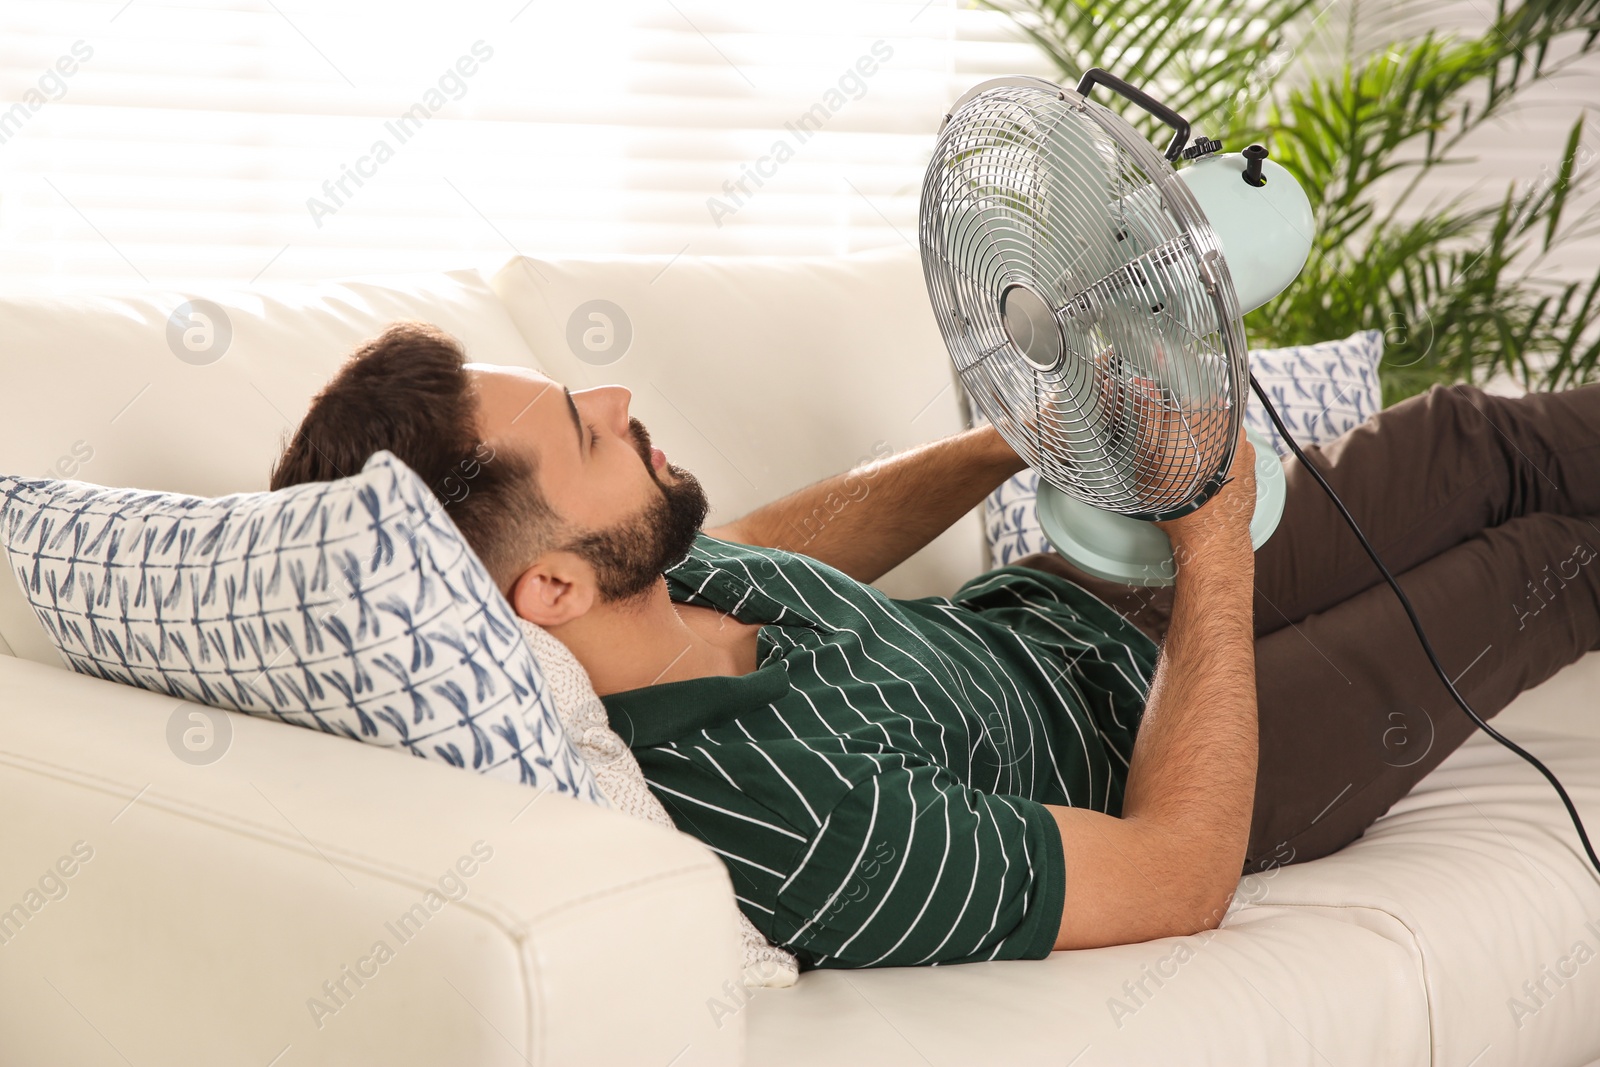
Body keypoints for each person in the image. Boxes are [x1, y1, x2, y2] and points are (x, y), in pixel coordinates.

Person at [270, 321, 1600, 968]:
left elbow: (789, 544)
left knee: (1477, 441)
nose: (617, 396)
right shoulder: (789, 819)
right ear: (550, 589)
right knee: (1553, 566)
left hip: (1072, 609)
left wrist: (1007, 436)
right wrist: (1211, 550)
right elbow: (1174, 878)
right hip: (1200, 762)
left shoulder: (641, 583)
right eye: (580, 424)